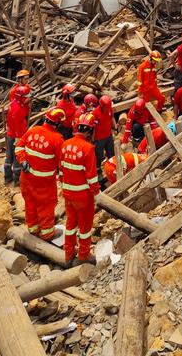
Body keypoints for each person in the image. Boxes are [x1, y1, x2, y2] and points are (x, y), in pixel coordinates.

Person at [15, 108, 65, 241]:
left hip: (26, 179)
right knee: (46, 206)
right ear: (58, 124)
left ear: (45, 119)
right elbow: (62, 163)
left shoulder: (32, 131)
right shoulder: (57, 139)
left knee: (30, 204)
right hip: (44, 182)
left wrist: (23, 160)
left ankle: (33, 230)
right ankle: (47, 234)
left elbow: (19, 146)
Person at [59, 111, 101, 265]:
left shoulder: (65, 144)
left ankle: (69, 254)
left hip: (68, 193)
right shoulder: (88, 148)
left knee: (70, 224)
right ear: (90, 130)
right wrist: (96, 192)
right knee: (85, 227)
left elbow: (61, 170)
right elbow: (91, 176)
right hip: (83, 196)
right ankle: (83, 255)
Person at [3, 70, 32, 183]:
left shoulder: (15, 103)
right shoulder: (15, 97)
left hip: (13, 130)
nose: (27, 80)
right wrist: (20, 139)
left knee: (9, 154)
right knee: (16, 156)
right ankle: (16, 179)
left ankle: (8, 177)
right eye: (26, 78)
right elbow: (17, 125)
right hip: (17, 132)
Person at [93, 94, 115, 166]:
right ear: (101, 106)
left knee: (111, 154)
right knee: (99, 156)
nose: (107, 109)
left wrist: (114, 128)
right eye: (106, 108)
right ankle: (98, 169)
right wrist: (93, 139)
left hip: (108, 135)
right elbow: (94, 127)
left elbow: (111, 118)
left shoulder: (109, 109)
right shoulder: (95, 113)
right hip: (99, 139)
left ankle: (112, 167)